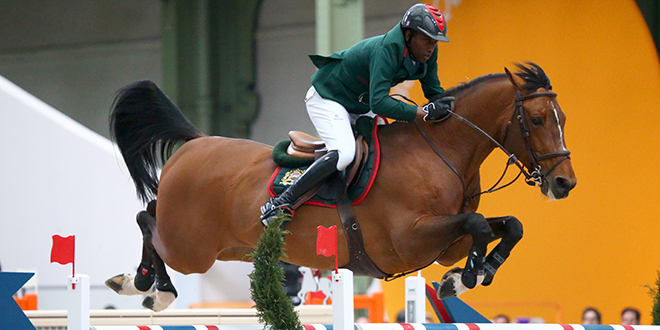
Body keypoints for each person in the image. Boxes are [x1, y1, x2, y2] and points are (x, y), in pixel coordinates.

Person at [261, 3, 455, 226]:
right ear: (409, 35)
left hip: (360, 102)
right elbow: (381, 102)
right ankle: (281, 203)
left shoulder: (426, 52)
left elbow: (433, 92)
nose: (431, 47)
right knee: (344, 153)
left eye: (435, 41)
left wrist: (451, 108)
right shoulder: (387, 48)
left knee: (390, 146)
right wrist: (421, 112)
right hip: (328, 98)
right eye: (427, 40)